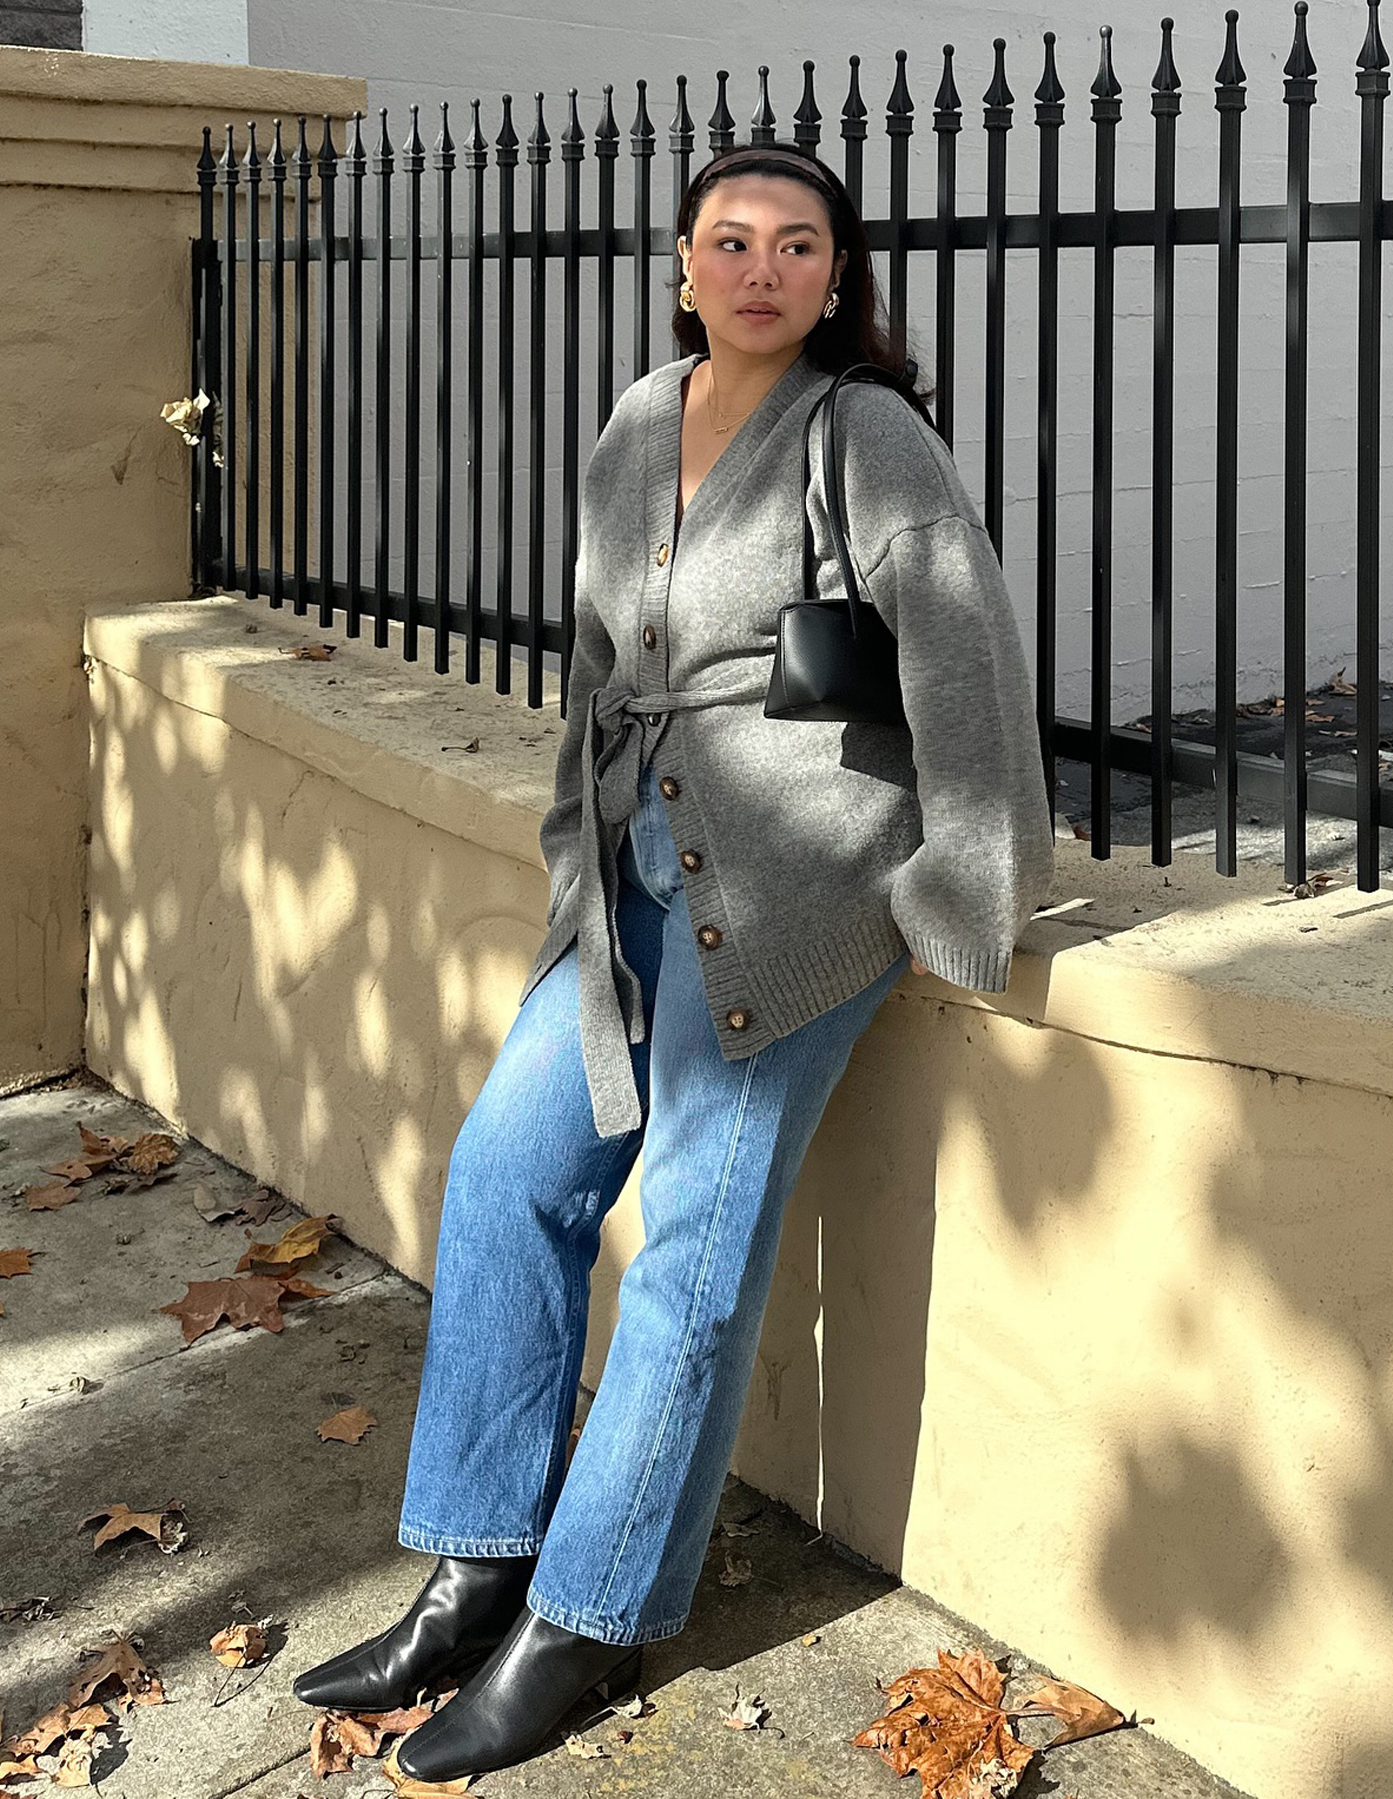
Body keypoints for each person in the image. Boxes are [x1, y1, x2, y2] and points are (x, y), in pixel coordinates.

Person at [291, 140, 1054, 1783]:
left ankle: (590, 1616)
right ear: (686, 264)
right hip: (633, 880)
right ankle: (480, 1562)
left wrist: (954, 894)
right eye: (732, 241)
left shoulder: (870, 435)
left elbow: (968, 658)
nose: (763, 267)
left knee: (697, 1251)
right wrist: (578, 864)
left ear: (838, 278)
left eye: (798, 245)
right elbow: (588, 664)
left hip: (801, 899)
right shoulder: (642, 419)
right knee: (508, 1173)